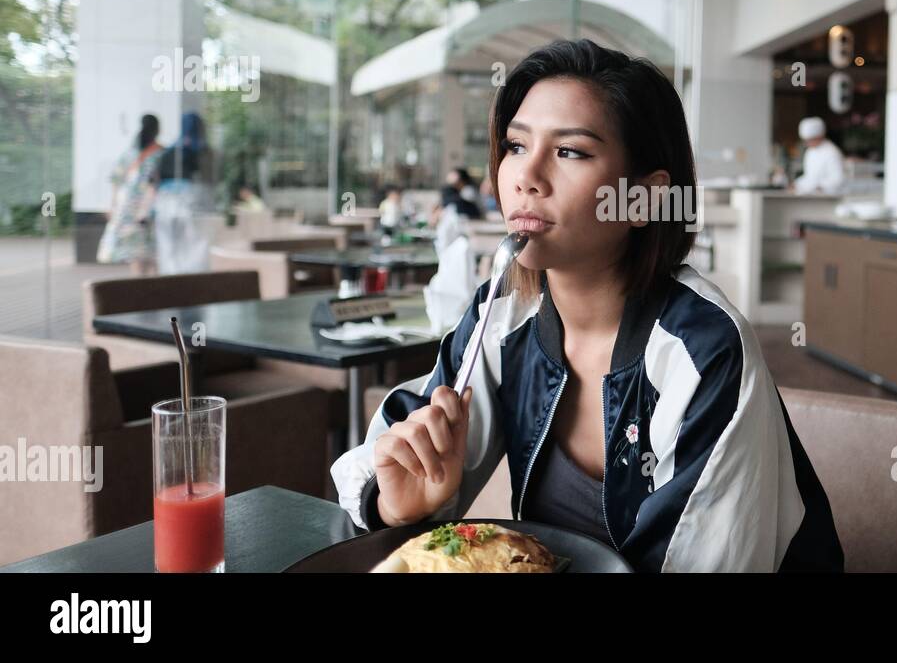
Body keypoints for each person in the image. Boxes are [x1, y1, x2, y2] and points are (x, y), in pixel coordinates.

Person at [331, 39, 844, 572]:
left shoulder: (703, 349)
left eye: (570, 151)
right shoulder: (504, 312)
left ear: (644, 199)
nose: (526, 176)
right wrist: (398, 502)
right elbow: (386, 453)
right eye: (514, 145)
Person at [96, 114, 164, 275]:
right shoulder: (160, 153)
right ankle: (155, 290)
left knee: (137, 255)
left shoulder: (130, 153)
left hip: (128, 207)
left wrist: (112, 206)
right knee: (153, 254)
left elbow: (116, 180)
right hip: (151, 207)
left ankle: (140, 288)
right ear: (158, 130)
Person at [153, 112, 214, 274]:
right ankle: (191, 280)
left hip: (167, 204)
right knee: (196, 245)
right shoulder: (204, 153)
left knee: (169, 247)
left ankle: (172, 278)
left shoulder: (169, 152)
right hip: (194, 203)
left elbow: (155, 182)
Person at [792, 116, 846, 194]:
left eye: (810, 140)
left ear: (819, 136)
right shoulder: (810, 152)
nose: (807, 143)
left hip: (829, 198)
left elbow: (838, 179)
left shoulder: (832, 152)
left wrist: (819, 186)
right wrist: (797, 184)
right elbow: (809, 177)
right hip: (812, 196)